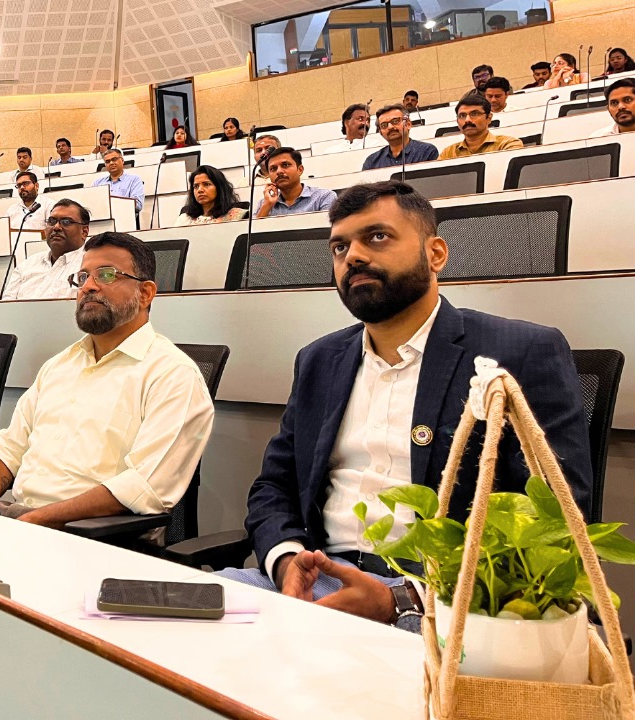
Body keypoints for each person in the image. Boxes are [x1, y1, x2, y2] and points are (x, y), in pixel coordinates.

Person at [219, 181, 591, 628]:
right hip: (315, 582)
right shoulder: (319, 360)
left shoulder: (521, 351)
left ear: (435, 254)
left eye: (377, 237)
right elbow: (274, 487)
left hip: (451, 601)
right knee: (167, 631)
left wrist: (402, 598)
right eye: (339, 247)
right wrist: (285, 561)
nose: (352, 256)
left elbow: (557, 516)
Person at [0, 231, 213, 528]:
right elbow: (7, 450)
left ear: (145, 293)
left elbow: (140, 488)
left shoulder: (172, 375)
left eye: (106, 275)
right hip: (17, 521)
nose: (89, 287)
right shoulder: (59, 365)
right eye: (82, 277)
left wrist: (30, 524)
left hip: (98, 537)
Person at [2, 199, 89, 301]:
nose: (56, 227)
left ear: (84, 231)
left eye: (66, 222)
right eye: (51, 221)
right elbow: (6, 307)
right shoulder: (26, 266)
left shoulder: (90, 265)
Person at [255, 147, 336, 218]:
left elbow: (329, 231)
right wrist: (267, 205)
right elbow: (252, 234)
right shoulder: (264, 204)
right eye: (273, 168)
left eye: (285, 165)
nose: (279, 171)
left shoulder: (323, 197)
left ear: (300, 170)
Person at [438, 93, 524, 159]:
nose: (467, 120)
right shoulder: (448, 153)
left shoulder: (508, 144)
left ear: (489, 118)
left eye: (474, 114)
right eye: (462, 116)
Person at [361, 104, 439, 170]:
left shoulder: (426, 151)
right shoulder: (372, 162)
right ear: (380, 132)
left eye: (395, 121)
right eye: (384, 125)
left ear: (408, 124)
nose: (390, 127)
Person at [176, 165, 245, 225]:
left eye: (206, 184)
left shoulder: (237, 216)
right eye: (196, 186)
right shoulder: (184, 219)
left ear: (219, 187)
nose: (200, 190)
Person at [92, 149, 145, 214]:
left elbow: (138, 205)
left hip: (125, 217)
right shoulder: (98, 183)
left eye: (114, 159)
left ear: (122, 161)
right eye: (107, 161)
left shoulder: (134, 180)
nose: (111, 163)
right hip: (103, 218)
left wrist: (115, 202)